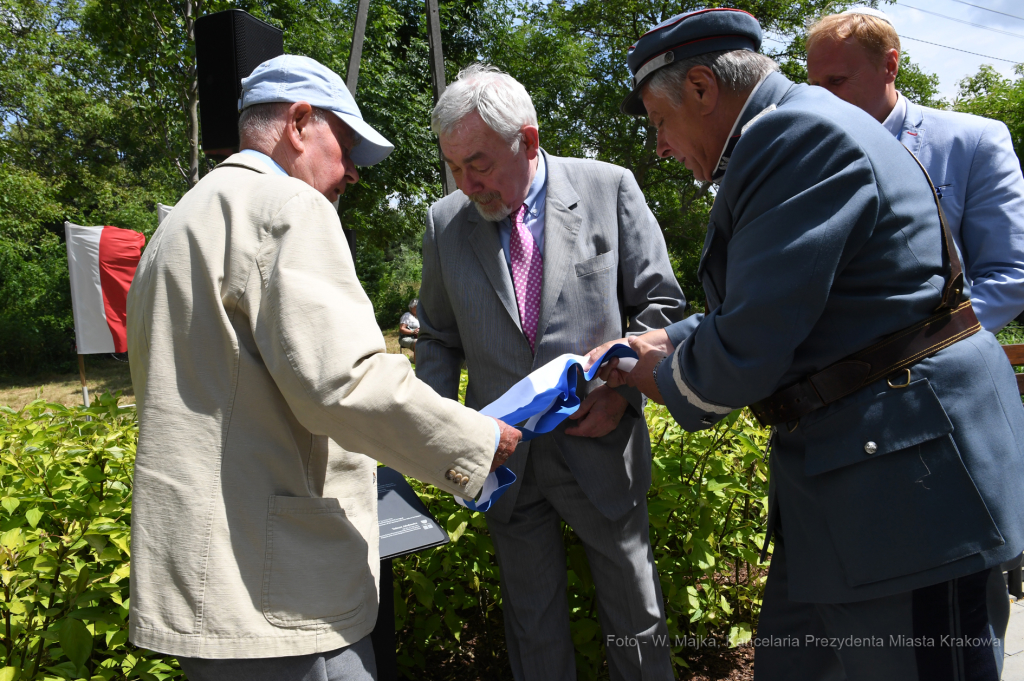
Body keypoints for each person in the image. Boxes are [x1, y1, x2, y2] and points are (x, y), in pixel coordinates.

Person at [589, 8, 1024, 679]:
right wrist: (661, 337)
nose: (660, 145)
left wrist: (651, 372)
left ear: (702, 88)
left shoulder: (794, 136)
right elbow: (794, 306)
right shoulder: (798, 129)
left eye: (659, 120)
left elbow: (747, 349)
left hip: (909, 500)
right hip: (859, 489)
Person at [126, 55, 521, 680]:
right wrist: (475, 442)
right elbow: (343, 382)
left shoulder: (179, 224)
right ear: (300, 123)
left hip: (203, 582)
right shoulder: (287, 206)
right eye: (348, 147)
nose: (354, 175)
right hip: (281, 595)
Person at [415, 63, 686, 680]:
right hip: (507, 466)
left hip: (602, 446)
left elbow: (662, 308)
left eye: (479, 163)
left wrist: (622, 394)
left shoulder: (608, 188)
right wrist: (433, 435)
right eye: (454, 167)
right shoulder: (444, 224)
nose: (466, 183)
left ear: (529, 141)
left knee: (635, 618)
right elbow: (436, 337)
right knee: (532, 627)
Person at [805, 6, 1024, 332]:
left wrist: (928, 347)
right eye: (815, 85)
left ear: (889, 66)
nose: (822, 99)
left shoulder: (972, 142)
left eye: (837, 81)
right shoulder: (808, 155)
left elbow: (1010, 276)